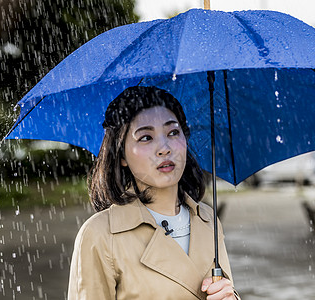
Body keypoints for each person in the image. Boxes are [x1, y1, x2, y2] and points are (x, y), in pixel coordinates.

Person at [68, 86, 240, 299]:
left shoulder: (207, 220)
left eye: (173, 132)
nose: (164, 148)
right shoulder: (100, 235)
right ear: (121, 155)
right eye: (146, 137)